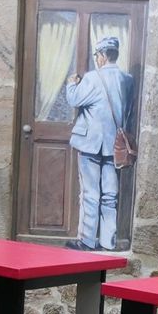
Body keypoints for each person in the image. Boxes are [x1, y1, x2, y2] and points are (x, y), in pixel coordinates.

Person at [64, 36, 133, 251]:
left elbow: (74, 100)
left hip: (91, 143)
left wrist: (71, 84)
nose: (97, 59)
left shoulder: (93, 78)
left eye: (97, 55)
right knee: (110, 195)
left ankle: (86, 240)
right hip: (115, 145)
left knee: (90, 193)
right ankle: (108, 242)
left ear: (102, 56)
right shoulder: (127, 79)